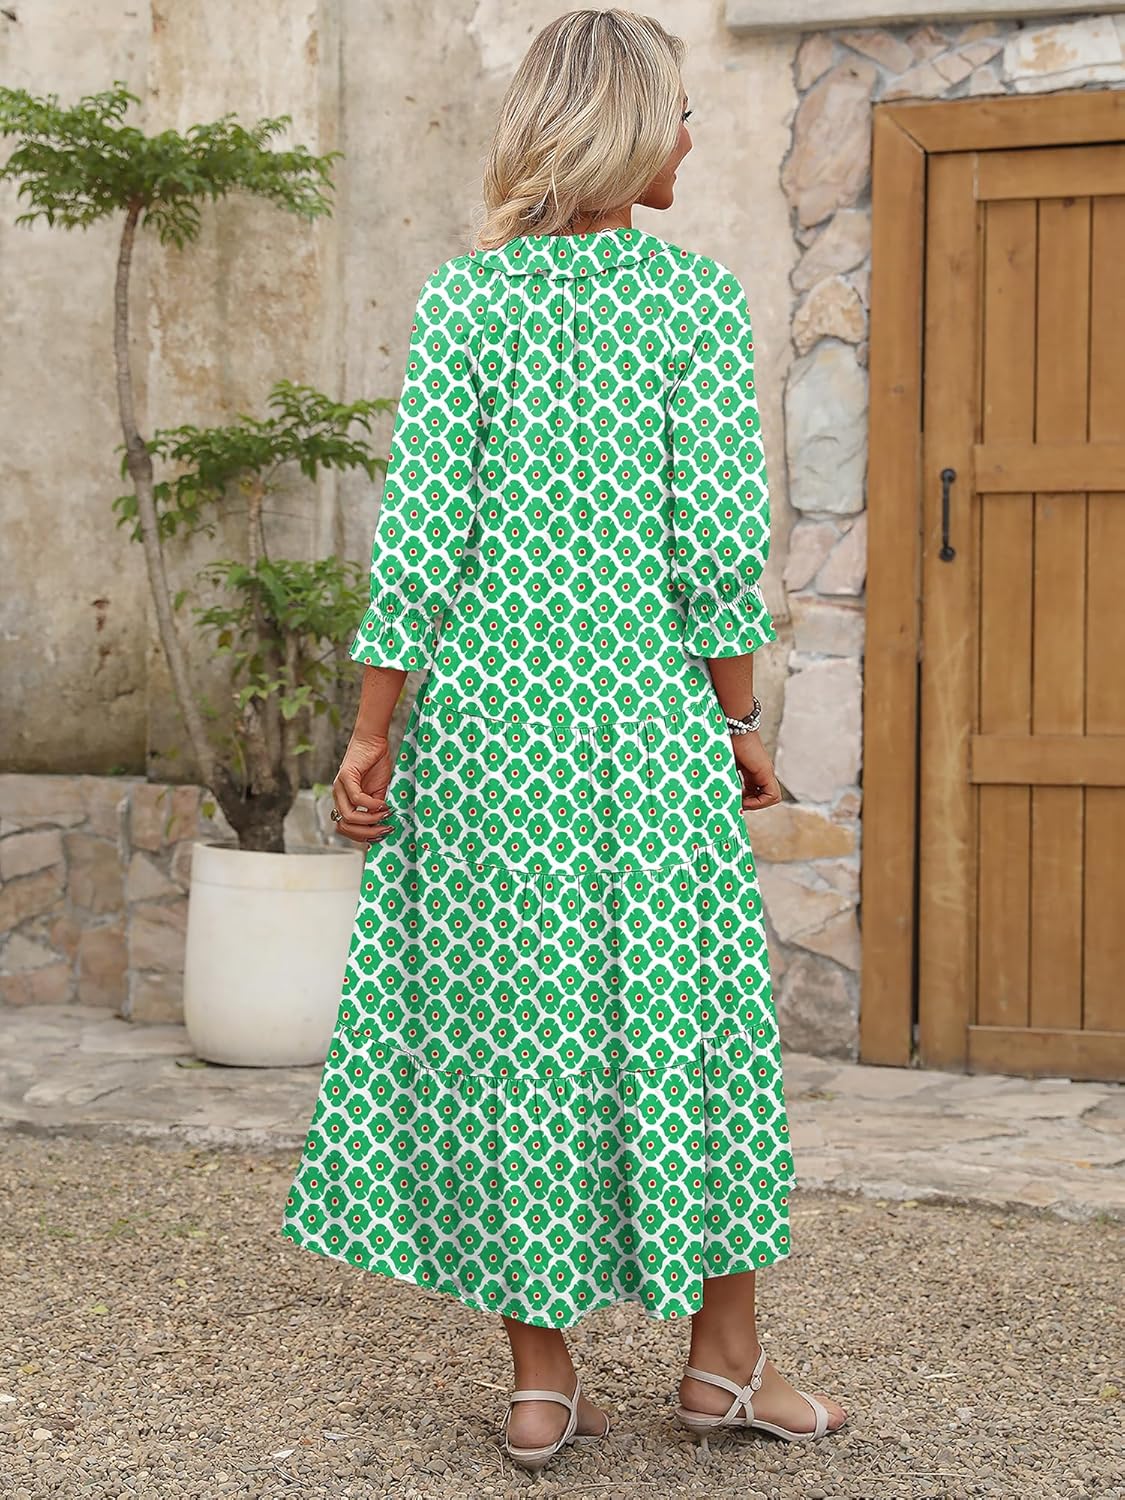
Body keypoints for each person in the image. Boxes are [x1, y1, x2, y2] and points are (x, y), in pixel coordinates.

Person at [281, 6, 847, 1472]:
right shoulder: (690, 302)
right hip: (643, 723)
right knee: (690, 1023)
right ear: (623, 128)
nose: (689, 137)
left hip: (485, 729)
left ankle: (542, 1385)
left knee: (511, 1029)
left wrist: (371, 734)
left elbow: (421, 539)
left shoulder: (465, 302)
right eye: (678, 113)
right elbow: (713, 549)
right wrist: (738, 719)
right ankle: (722, 1364)